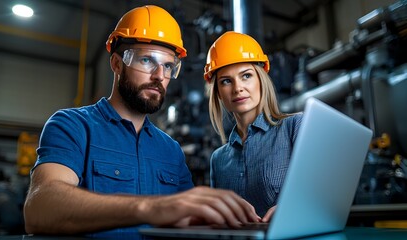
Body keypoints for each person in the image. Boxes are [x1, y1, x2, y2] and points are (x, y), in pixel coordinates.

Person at [23, 6, 260, 238]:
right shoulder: (72, 126)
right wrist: (151, 208)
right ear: (116, 64)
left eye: (168, 66)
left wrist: (235, 219)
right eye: (147, 60)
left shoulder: (170, 150)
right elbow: (40, 208)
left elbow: (190, 219)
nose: (159, 76)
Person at [203, 31, 303, 223]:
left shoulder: (294, 127)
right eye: (226, 81)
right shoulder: (218, 159)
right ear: (217, 92)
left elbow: (321, 192)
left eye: (246, 76)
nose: (237, 88)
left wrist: (292, 207)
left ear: (261, 79)